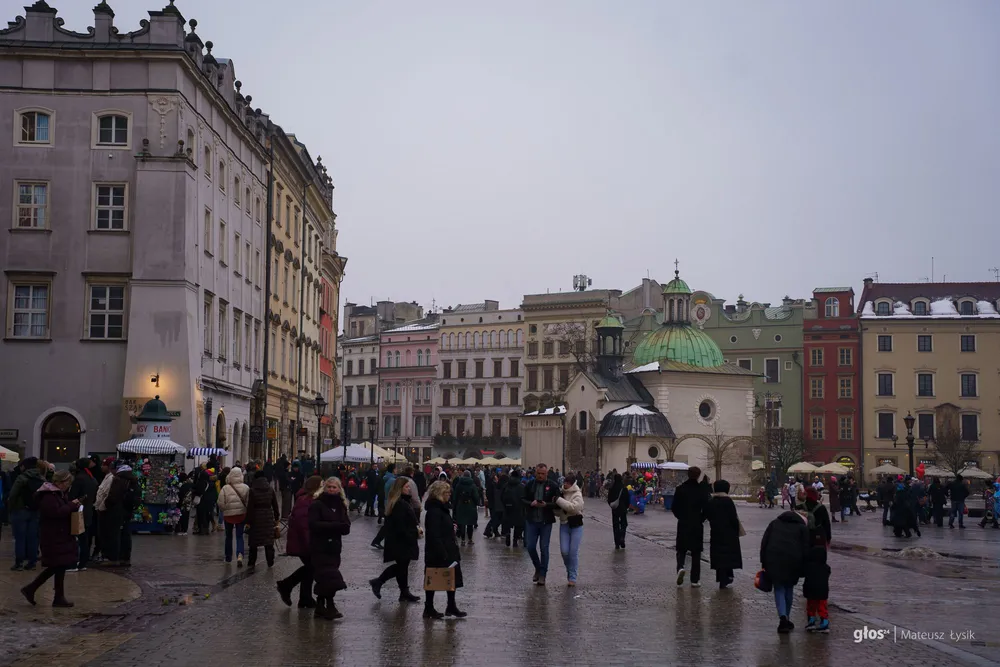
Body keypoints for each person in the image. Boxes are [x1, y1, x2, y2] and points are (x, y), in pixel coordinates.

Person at [20, 470, 81, 607]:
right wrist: (71, 505)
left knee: (60, 565)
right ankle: (31, 588)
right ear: (60, 482)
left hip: (59, 534)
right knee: (56, 565)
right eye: (67, 483)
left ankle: (57, 597)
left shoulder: (57, 494)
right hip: (53, 535)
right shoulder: (49, 496)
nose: (68, 486)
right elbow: (56, 513)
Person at [369, 477, 421, 603]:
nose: (409, 489)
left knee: (402, 567)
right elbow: (401, 526)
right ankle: (379, 582)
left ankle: (404, 592)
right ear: (400, 488)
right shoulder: (400, 504)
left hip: (400, 540)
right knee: (401, 567)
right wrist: (416, 532)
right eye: (407, 487)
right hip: (401, 541)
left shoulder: (401, 502)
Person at [760, 508, 810, 633]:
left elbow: (764, 543)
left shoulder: (774, 523)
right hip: (793, 562)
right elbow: (806, 549)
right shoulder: (802, 528)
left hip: (773, 560)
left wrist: (763, 561)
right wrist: (805, 567)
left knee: (779, 588)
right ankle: (786, 617)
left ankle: (783, 617)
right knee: (789, 588)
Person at [309, 476, 351, 620]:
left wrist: (333, 527)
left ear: (339, 489)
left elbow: (346, 527)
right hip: (319, 547)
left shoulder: (341, 505)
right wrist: (335, 526)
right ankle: (330, 605)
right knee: (327, 577)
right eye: (329, 487)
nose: (332, 490)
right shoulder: (317, 504)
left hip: (334, 547)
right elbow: (314, 525)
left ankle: (321, 605)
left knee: (328, 577)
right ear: (324, 488)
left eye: (334, 487)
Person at [277, 475, 323, 609]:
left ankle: (305, 598)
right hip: (304, 542)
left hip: (306, 541)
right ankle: (286, 585)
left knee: (310, 568)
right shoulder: (305, 500)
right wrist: (311, 544)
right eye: (321, 485)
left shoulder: (310, 499)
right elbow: (304, 526)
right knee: (312, 567)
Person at [423, 480, 466, 619]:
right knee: (432, 578)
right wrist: (443, 553)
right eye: (446, 492)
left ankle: (451, 606)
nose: (449, 495)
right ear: (439, 494)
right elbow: (434, 533)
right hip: (440, 551)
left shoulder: (442, 508)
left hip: (448, 547)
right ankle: (428, 608)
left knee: (451, 578)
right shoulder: (434, 511)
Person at [522, 463, 561, 586]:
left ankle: (543, 575)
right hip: (532, 521)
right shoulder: (529, 485)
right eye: (538, 473)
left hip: (546, 521)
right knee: (530, 547)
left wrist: (547, 505)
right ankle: (538, 567)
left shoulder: (553, 486)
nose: (540, 476)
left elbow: (558, 502)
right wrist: (531, 503)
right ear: (535, 473)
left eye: (543, 474)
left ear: (546, 474)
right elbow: (522, 499)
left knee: (544, 548)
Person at [673, 467, 710, 587]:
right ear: (698, 475)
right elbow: (706, 508)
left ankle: (680, 567)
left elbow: (674, 507)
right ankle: (695, 579)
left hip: (683, 522)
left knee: (681, 549)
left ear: (688, 475)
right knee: (696, 552)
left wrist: (681, 516)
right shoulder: (701, 490)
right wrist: (701, 518)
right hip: (696, 524)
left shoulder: (680, 489)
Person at [704, 479, 742, 589]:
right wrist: (736, 529)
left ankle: (721, 577)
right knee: (728, 555)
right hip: (729, 533)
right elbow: (733, 518)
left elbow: (707, 515)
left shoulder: (712, 501)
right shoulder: (728, 501)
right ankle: (728, 576)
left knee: (719, 555)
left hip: (716, 532)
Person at [8, 457, 44, 571]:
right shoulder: (41, 478)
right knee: (33, 538)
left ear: (25, 466)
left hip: (20, 510)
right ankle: (32, 562)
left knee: (20, 538)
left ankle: (19, 563)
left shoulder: (22, 478)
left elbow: (13, 494)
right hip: (35, 511)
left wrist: (10, 508)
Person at [103, 462, 138, 567]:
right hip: (128, 510)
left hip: (117, 510)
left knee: (115, 534)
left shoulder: (119, 480)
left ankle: (114, 558)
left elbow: (113, 496)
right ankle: (125, 558)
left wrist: (107, 504)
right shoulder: (134, 480)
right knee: (126, 534)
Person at [554, 473, 585, 586]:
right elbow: (558, 512)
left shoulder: (577, 494)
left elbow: (574, 508)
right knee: (564, 551)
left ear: (572, 484)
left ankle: (572, 576)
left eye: (567, 483)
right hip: (564, 524)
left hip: (576, 525)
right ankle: (570, 570)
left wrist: (559, 501)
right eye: (564, 482)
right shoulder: (561, 493)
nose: (565, 484)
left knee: (573, 552)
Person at [245, 472, 279, 568]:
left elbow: (250, 507)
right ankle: (270, 561)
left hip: (256, 517)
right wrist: (276, 518)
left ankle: (251, 562)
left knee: (254, 542)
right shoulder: (270, 489)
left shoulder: (252, 490)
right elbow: (275, 506)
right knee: (268, 541)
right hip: (268, 516)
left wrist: (248, 521)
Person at [217, 468, 250, 566]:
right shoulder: (246, 488)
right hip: (241, 515)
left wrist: (225, 510)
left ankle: (228, 557)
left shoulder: (225, 488)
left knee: (228, 536)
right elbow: (248, 503)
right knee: (239, 536)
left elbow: (220, 503)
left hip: (228, 516)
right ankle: (240, 554)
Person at [803, 545, 831, 634]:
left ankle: (811, 622)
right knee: (822, 607)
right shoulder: (826, 568)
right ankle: (824, 622)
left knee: (811, 606)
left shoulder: (808, 566)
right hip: (823, 592)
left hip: (810, 590)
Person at [452, 471, 480, 545]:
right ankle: (470, 539)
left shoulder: (459, 485)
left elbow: (455, 496)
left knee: (462, 523)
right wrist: (478, 503)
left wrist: (454, 505)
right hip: (470, 506)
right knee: (470, 523)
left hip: (461, 506)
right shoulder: (472, 485)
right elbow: (476, 497)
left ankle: (463, 540)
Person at [501, 470, 525, 547]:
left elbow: (501, 496)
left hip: (507, 508)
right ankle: (515, 540)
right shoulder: (521, 486)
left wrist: (505, 505)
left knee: (507, 523)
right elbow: (524, 498)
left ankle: (508, 534)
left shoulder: (506, 485)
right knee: (518, 525)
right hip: (518, 508)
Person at [608, 473, 630, 550]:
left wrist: (612, 505)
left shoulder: (612, 488)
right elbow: (627, 500)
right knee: (624, 524)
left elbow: (609, 499)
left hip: (615, 509)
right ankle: (622, 537)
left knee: (615, 525)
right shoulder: (624, 488)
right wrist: (627, 507)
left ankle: (617, 543)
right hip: (623, 508)